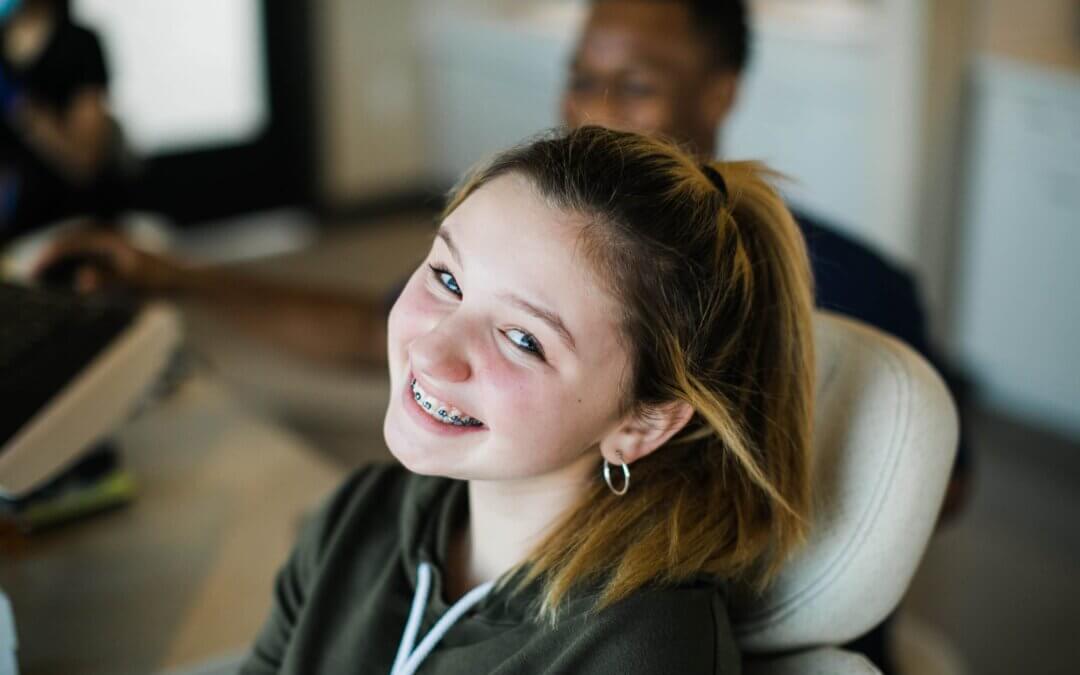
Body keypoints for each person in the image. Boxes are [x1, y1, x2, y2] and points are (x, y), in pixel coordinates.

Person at [241, 125, 815, 675]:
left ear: (642, 425)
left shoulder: (644, 652)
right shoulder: (360, 516)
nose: (433, 350)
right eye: (447, 278)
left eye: (523, 340)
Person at [0, 0, 124, 241]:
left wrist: (22, 110)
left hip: (73, 224)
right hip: (14, 231)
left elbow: (84, 161)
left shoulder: (80, 44)